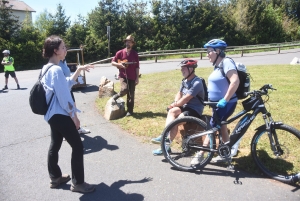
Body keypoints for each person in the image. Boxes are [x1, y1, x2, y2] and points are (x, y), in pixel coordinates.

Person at [41, 35, 95, 193]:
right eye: (63, 47)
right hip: (60, 114)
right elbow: (65, 98)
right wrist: (74, 116)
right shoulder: (56, 70)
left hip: (52, 115)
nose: (66, 50)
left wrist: (78, 70)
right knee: (78, 146)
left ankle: (55, 177)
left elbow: (66, 85)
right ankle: (78, 183)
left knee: (55, 144)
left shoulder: (47, 68)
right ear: (56, 50)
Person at [190, 39, 240, 165]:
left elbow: (235, 81)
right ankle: (226, 154)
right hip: (217, 104)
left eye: (209, 51)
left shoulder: (227, 62)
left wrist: (225, 99)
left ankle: (200, 155)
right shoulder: (218, 65)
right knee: (222, 126)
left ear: (218, 51)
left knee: (212, 127)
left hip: (225, 103)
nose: (207, 54)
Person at [151, 59, 205, 155]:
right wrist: (175, 102)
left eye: (183, 68)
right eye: (181, 68)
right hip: (184, 107)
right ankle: (165, 135)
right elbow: (179, 93)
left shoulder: (197, 82)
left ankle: (165, 146)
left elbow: (186, 99)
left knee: (177, 121)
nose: (181, 70)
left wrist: (174, 104)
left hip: (194, 110)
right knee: (172, 112)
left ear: (191, 69)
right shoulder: (185, 81)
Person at [58, 58, 91, 135]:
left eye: (65, 48)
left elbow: (68, 77)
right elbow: (63, 83)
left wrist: (77, 73)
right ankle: (67, 132)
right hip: (64, 91)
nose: (65, 51)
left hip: (68, 89)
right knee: (67, 110)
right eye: (63, 48)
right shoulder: (56, 64)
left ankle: (77, 128)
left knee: (73, 106)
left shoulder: (63, 61)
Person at [111, 35, 140, 117]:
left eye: (129, 42)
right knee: (124, 89)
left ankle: (130, 111)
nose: (128, 43)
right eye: (127, 41)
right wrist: (119, 64)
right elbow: (112, 62)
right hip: (123, 75)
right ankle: (116, 96)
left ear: (132, 43)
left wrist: (137, 78)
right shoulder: (120, 53)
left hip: (133, 76)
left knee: (131, 94)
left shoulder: (135, 54)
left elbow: (137, 67)